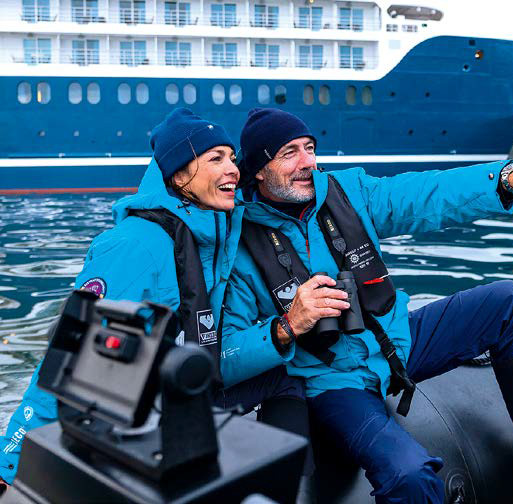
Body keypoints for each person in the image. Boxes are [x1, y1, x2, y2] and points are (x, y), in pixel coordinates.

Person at [221, 108, 513, 503]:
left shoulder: (348, 192)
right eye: (289, 153)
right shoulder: (237, 247)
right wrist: (287, 325)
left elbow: (426, 194)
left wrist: (511, 177)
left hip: (395, 342)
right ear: (258, 169)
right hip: (332, 381)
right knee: (409, 475)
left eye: (310, 148)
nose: (307, 162)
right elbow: (226, 356)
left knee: (507, 302)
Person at [0, 108, 311, 492]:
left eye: (232, 158)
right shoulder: (135, 246)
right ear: (178, 176)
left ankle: (290, 488)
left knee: (287, 376)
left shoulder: (213, 233)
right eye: (216, 158)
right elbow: (68, 354)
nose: (233, 168)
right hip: (137, 413)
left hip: (185, 391)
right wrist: (11, 464)